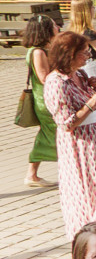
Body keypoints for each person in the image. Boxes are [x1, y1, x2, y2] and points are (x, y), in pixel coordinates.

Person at [42, 31, 96, 236]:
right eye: (84, 53)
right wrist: (92, 101)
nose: (88, 57)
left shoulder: (80, 75)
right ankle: (87, 233)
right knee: (86, 191)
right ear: (69, 54)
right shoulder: (56, 82)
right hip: (81, 147)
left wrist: (95, 90)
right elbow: (66, 123)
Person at [16, 15, 56, 188]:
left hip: (49, 98)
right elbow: (44, 77)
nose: (58, 27)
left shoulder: (43, 49)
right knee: (54, 132)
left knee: (47, 134)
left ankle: (32, 174)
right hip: (46, 100)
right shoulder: (38, 52)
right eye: (54, 25)